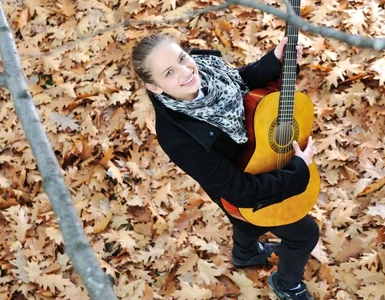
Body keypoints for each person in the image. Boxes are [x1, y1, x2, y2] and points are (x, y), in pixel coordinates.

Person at [131, 34, 319, 300]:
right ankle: (286, 283)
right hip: (239, 185)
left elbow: (239, 83)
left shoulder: (207, 69)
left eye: (183, 58)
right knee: (305, 233)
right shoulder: (176, 137)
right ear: (155, 87)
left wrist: (274, 61)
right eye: (169, 72)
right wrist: (297, 171)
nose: (186, 71)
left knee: (246, 224)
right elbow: (238, 190)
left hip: (259, 156)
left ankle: (245, 254)